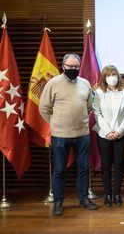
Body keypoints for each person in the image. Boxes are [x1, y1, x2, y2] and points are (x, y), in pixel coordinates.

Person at [39, 53, 98, 216]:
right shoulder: (53, 83)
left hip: (82, 134)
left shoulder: (85, 83)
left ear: (79, 67)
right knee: (59, 170)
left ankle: (84, 198)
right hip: (60, 135)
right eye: (69, 66)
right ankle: (58, 202)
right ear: (63, 66)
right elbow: (44, 108)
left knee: (83, 168)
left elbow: (90, 105)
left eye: (75, 66)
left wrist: (79, 118)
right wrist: (56, 122)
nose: (73, 69)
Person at [93, 65, 124, 207]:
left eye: (114, 74)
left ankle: (117, 194)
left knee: (119, 165)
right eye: (108, 75)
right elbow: (97, 113)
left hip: (121, 134)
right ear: (104, 77)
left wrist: (119, 131)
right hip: (104, 134)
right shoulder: (98, 93)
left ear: (118, 76)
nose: (112, 77)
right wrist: (108, 131)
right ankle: (107, 194)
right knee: (106, 165)